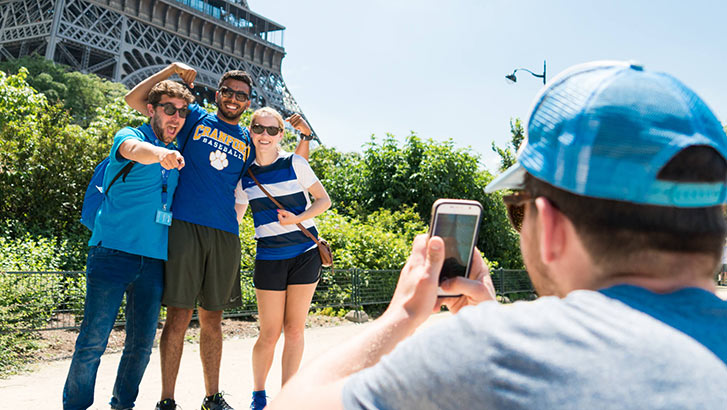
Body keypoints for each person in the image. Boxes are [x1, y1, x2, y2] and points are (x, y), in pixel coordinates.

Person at [268, 61, 727, 409]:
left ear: (547, 227)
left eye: (517, 210)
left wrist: (402, 315)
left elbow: (297, 402)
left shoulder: (500, 354)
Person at [124, 62, 312, 410]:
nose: (234, 99)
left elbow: (287, 168)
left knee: (213, 319)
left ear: (249, 101)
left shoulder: (248, 138)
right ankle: (167, 399)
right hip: (185, 226)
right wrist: (170, 72)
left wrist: (305, 135)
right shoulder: (193, 117)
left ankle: (212, 397)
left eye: (242, 95)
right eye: (228, 92)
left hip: (226, 233)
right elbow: (136, 99)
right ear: (217, 94)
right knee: (178, 316)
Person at [63, 80, 193, 410]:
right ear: (151, 110)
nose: (176, 117)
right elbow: (134, 152)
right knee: (94, 339)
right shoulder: (130, 136)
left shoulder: (179, 151)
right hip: (112, 253)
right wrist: (162, 154)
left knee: (140, 343)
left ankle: (123, 405)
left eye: (181, 111)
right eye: (168, 109)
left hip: (153, 261)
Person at [232, 107, 331, 410]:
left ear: (281, 134)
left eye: (272, 130)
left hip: (304, 254)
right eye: (259, 129)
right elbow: (235, 218)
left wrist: (296, 218)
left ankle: (289, 396)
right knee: (269, 332)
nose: (265, 135)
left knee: (295, 329)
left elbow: (324, 200)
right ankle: (259, 395)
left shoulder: (295, 163)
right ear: (250, 131)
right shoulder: (245, 176)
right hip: (269, 258)